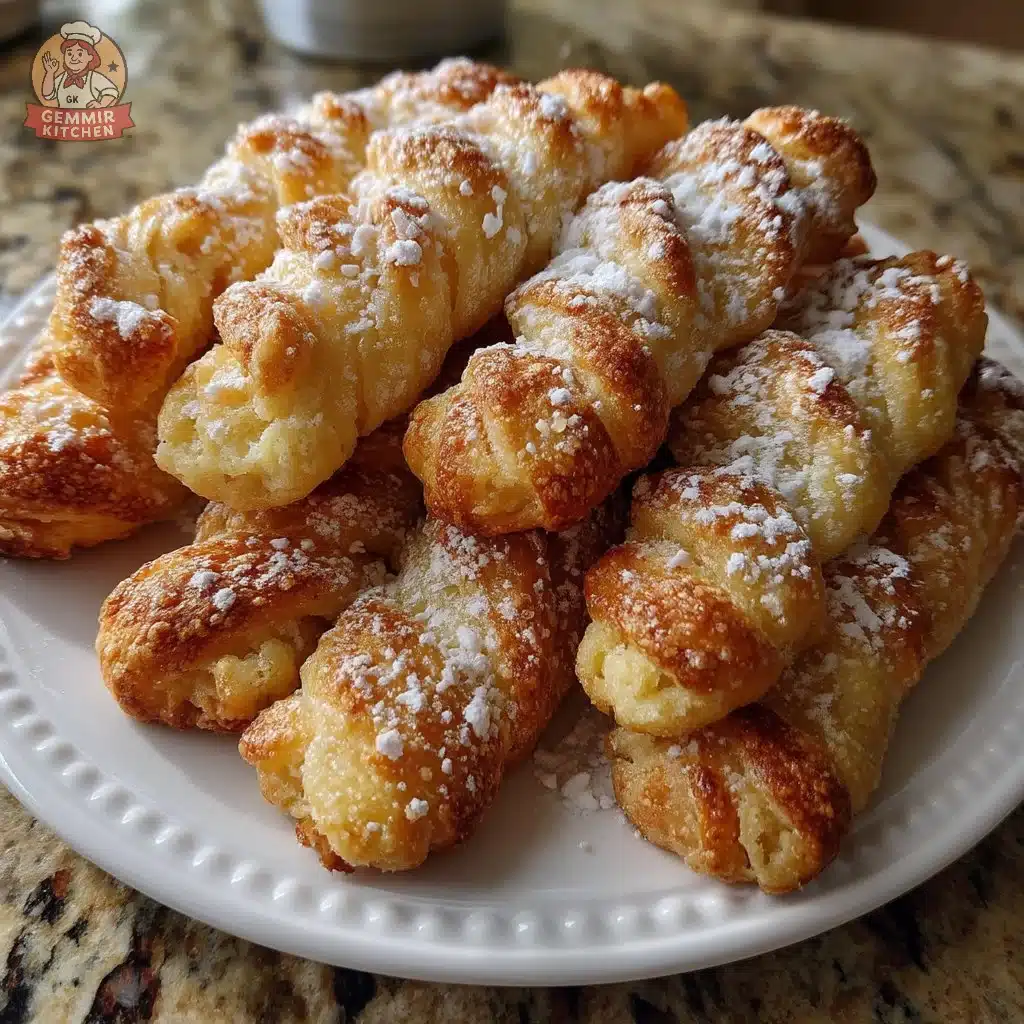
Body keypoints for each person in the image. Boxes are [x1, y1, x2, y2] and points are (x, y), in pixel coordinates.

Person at [40, 21, 119, 109]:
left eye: (80, 54)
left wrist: (101, 104)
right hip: (64, 121)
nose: (74, 58)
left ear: (90, 57)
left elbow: (111, 92)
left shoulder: (93, 77)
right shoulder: (62, 77)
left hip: (90, 121)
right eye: (69, 54)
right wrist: (50, 73)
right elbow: (48, 94)